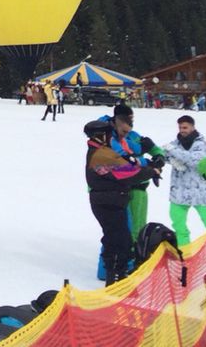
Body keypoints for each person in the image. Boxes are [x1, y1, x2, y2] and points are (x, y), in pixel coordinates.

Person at [85, 118, 156, 285]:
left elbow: (127, 165)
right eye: (109, 135)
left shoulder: (101, 151)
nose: (111, 138)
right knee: (120, 241)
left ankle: (114, 276)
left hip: (109, 201)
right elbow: (129, 173)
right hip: (109, 202)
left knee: (114, 239)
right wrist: (151, 171)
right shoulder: (101, 154)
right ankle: (116, 278)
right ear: (101, 136)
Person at [163, 115, 206, 244]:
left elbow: (194, 161)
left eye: (185, 127)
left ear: (192, 127)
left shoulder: (200, 143)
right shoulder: (176, 143)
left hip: (199, 191)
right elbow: (164, 155)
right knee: (179, 226)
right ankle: (184, 254)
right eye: (180, 127)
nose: (182, 130)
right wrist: (172, 158)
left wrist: (174, 152)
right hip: (178, 192)